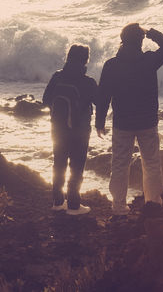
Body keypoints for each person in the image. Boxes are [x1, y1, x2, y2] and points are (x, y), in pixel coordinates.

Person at [95, 23, 163, 216]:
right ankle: (153, 204)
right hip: (147, 122)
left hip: (123, 124)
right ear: (140, 40)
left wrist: (99, 122)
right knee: (152, 164)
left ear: (122, 40)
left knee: (120, 165)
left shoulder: (112, 65)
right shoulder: (149, 61)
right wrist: (151, 33)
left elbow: (103, 96)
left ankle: (119, 207)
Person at [41, 44, 97, 215]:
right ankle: (73, 205)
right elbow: (100, 103)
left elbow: (45, 100)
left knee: (59, 163)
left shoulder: (57, 77)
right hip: (79, 132)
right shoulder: (88, 82)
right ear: (85, 60)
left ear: (68, 57)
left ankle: (57, 202)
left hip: (57, 129)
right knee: (76, 166)